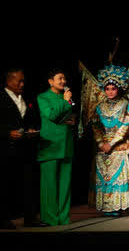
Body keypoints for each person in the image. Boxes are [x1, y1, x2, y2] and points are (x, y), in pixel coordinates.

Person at [88, 64, 129, 215]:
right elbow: (95, 126)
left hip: (119, 146)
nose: (110, 91)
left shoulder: (126, 105)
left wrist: (111, 143)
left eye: (113, 88)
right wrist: (101, 143)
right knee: (104, 177)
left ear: (119, 89)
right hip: (102, 147)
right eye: (107, 89)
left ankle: (118, 206)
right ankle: (106, 207)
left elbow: (125, 126)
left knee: (118, 177)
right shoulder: (99, 107)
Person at [2, 68, 42, 227]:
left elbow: (28, 120)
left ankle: (30, 218)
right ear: (9, 81)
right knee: (6, 184)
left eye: (23, 81)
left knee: (28, 183)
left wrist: (30, 130)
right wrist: (7, 133)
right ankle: (3, 219)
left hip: (25, 148)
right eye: (19, 81)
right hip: (6, 149)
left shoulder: (25, 98)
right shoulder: (1, 98)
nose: (22, 84)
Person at [37, 69, 76, 226]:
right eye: (60, 78)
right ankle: (50, 219)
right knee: (49, 186)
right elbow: (52, 116)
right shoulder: (43, 97)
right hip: (50, 146)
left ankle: (63, 218)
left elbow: (66, 116)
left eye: (64, 78)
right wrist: (65, 102)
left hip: (66, 145)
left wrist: (72, 119)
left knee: (65, 185)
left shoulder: (65, 97)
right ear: (50, 81)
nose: (63, 81)